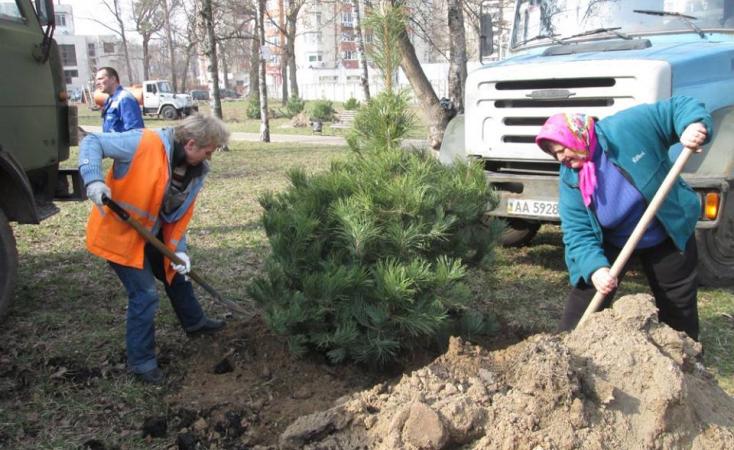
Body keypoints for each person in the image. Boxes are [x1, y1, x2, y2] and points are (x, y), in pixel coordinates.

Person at [535, 96, 713, 341]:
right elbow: (577, 231)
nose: (560, 159)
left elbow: (679, 107)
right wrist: (596, 269)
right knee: (583, 304)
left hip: (665, 229)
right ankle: (568, 356)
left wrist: (692, 125)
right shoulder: (571, 176)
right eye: (554, 155)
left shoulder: (626, 128)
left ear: (575, 134)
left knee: (677, 306)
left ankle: (686, 366)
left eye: (561, 149)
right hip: (611, 238)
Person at [79, 113, 230, 384]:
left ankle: (195, 323)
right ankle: (142, 363)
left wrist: (179, 250)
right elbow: (92, 141)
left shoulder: (194, 172)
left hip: (151, 234)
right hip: (119, 234)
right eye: (208, 152)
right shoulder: (143, 143)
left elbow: (177, 214)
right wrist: (93, 179)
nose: (209, 158)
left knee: (176, 275)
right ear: (191, 144)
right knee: (145, 295)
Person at [95, 67, 145, 133]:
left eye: (100, 79)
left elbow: (135, 133)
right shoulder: (109, 100)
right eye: (96, 80)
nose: (97, 83)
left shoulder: (125, 99)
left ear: (113, 79)